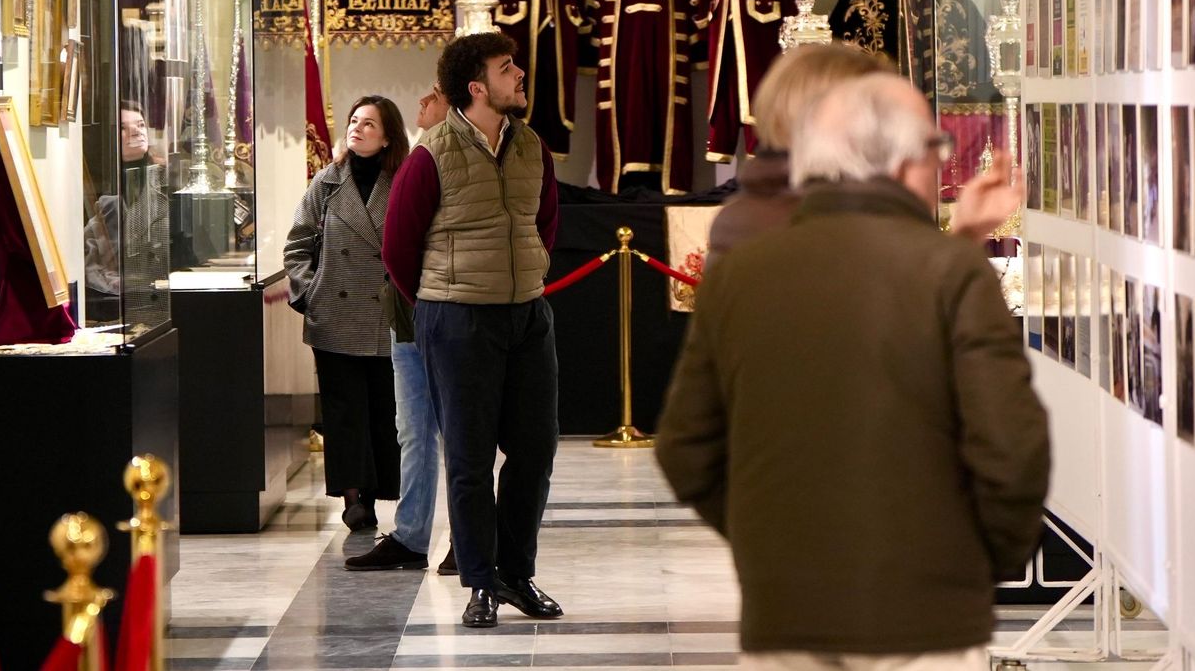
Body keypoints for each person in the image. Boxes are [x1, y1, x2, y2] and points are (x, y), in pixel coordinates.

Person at [656, 72, 1050, 671]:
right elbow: (1012, 449)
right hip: (927, 616)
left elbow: (685, 449)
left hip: (786, 610)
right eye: (937, 145)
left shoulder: (742, 272)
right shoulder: (952, 272)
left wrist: (770, 542)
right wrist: (977, 561)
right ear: (905, 161)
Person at [383, 33, 563, 629]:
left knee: (535, 450)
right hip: (457, 318)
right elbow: (398, 248)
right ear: (477, 87)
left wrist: (527, 276)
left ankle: (516, 573)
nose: (519, 74)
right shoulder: (429, 154)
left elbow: (545, 225)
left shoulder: (533, 146)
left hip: (527, 315)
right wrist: (442, 305)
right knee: (469, 456)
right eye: (507, 68)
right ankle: (480, 582)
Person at [709, 41, 1024, 263]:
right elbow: (902, 311)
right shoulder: (815, 220)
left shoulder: (772, 207)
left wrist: (965, 235)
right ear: (825, 116)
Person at [285, 96, 410, 531]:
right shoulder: (327, 181)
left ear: (388, 136)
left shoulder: (404, 181)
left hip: (386, 316)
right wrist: (309, 292)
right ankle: (353, 497)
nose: (357, 128)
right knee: (343, 413)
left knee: (382, 410)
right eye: (354, 120)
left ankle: (375, 493)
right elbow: (297, 243)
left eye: (369, 123)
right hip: (334, 315)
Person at [346, 83, 456, 574]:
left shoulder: (456, 158)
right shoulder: (421, 158)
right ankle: (411, 536)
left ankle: (467, 538)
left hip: (446, 309)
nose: (423, 103)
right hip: (407, 313)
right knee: (412, 430)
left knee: (459, 433)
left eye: (434, 96)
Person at [83, 102, 169, 325]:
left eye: (140, 124)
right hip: (111, 305)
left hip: (156, 299)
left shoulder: (164, 179)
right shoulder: (99, 190)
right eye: (124, 127)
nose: (136, 132)